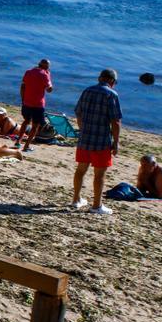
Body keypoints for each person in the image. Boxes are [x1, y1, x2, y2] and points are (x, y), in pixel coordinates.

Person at [71, 69, 122, 215]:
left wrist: (83, 129)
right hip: (101, 140)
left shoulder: (87, 91)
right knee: (99, 174)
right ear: (112, 81)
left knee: (81, 170)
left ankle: (76, 200)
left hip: (85, 139)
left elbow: (78, 112)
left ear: (100, 78)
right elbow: (116, 121)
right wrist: (116, 142)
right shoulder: (111, 94)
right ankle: (96, 205)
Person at [18, 58, 53, 152]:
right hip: (38, 104)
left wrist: (23, 99)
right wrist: (49, 77)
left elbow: (22, 86)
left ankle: (18, 142)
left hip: (26, 102)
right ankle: (26, 146)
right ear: (46, 67)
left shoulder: (28, 72)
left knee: (26, 121)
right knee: (35, 126)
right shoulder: (45, 74)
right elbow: (49, 89)